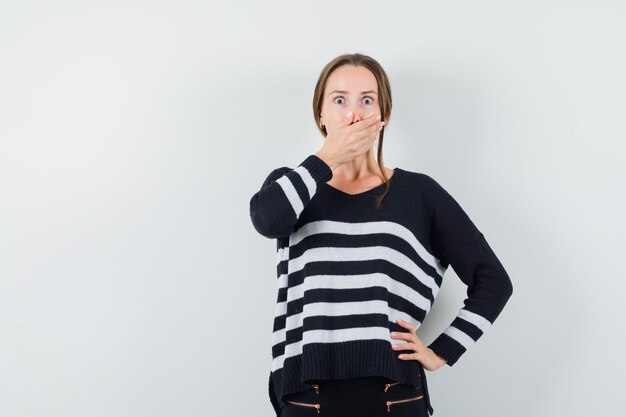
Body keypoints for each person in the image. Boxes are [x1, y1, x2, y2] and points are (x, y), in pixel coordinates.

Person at [249, 53, 513, 417]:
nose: (352, 114)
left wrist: (442, 352)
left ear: (382, 115)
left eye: (367, 100)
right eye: (339, 100)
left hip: (395, 396)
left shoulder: (419, 194)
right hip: (306, 398)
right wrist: (327, 159)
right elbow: (267, 220)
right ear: (321, 114)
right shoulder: (294, 185)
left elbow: (494, 282)